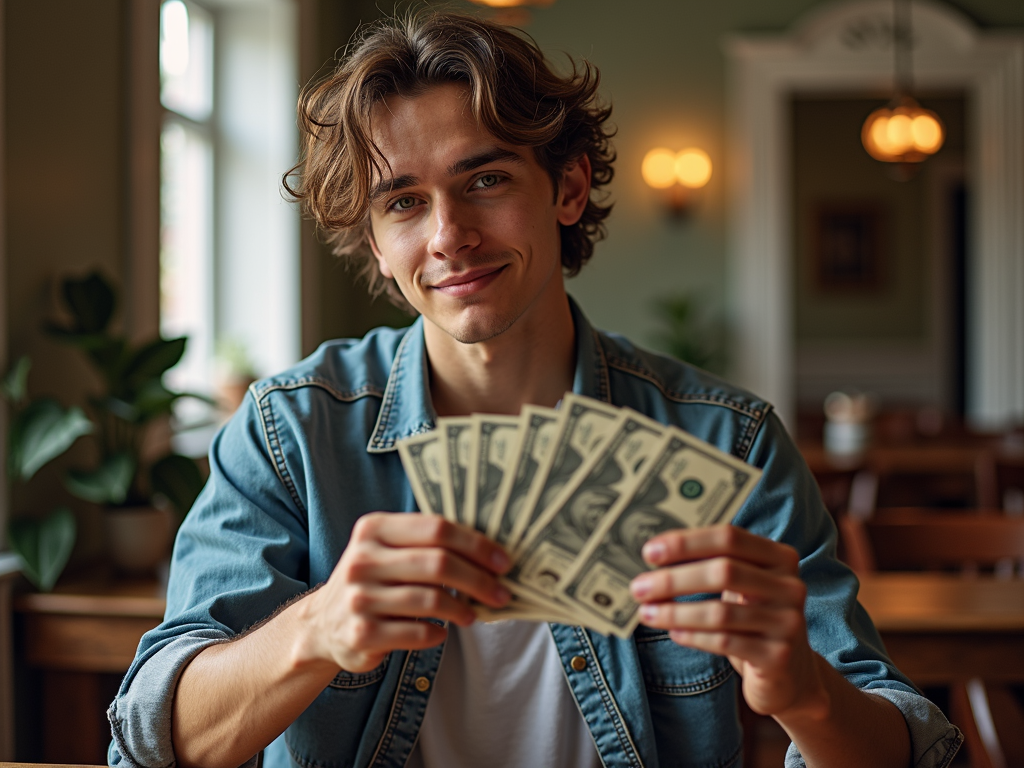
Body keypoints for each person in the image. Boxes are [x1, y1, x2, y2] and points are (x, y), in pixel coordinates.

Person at [107, 11, 962, 768]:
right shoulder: (289, 432)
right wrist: (318, 627)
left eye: (485, 180)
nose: (449, 236)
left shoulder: (725, 440)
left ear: (569, 186)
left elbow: (905, 745)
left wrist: (804, 691)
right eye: (403, 202)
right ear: (373, 243)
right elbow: (152, 742)